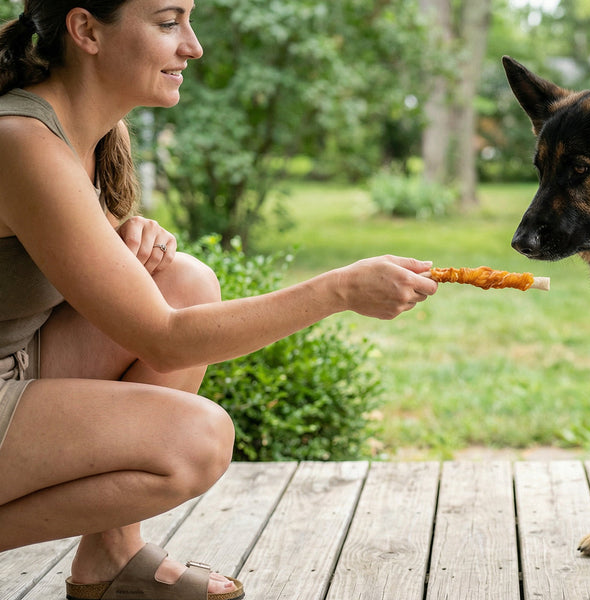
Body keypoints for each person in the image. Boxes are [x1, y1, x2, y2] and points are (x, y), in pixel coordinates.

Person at [0, 1, 439, 598]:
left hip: (18, 361)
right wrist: (339, 289)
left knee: (185, 279)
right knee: (195, 443)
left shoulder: (87, 135)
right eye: (166, 22)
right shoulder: (21, 141)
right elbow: (162, 337)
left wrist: (121, 237)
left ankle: (111, 556)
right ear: (85, 30)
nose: (193, 46)